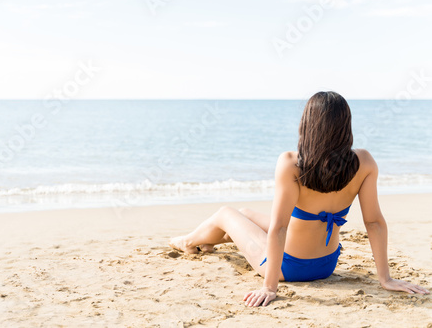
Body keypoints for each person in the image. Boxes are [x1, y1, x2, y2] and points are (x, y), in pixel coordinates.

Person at [169, 91, 430, 307]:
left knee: (226, 213)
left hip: (289, 268)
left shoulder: (292, 164)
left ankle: (187, 241)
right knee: (245, 213)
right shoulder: (364, 162)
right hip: (326, 264)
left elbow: (280, 227)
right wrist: (385, 278)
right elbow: (374, 222)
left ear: (308, 124)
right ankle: (206, 243)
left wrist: (269, 286)